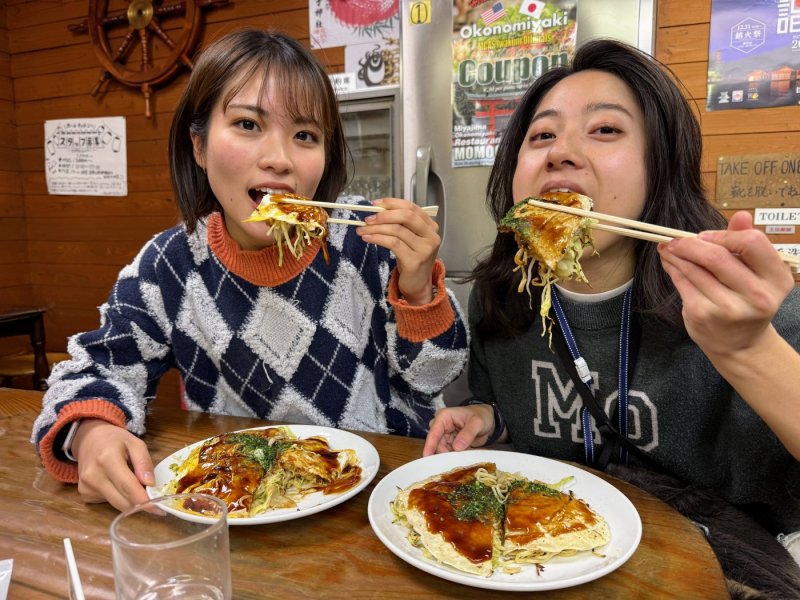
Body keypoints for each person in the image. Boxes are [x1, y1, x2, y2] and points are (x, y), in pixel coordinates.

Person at [31, 28, 468, 512]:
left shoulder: (365, 240)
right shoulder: (170, 266)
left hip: (380, 496)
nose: (279, 159)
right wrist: (93, 431)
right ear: (198, 147)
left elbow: (435, 377)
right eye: (247, 124)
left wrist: (418, 289)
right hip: (242, 506)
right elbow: (96, 364)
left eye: (305, 135)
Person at [423, 39, 800, 596]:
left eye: (605, 130)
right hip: (554, 561)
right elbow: (536, 434)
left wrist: (747, 350)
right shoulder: (503, 300)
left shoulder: (735, 306)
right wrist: (491, 419)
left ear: (660, 166)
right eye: (541, 136)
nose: (561, 153)